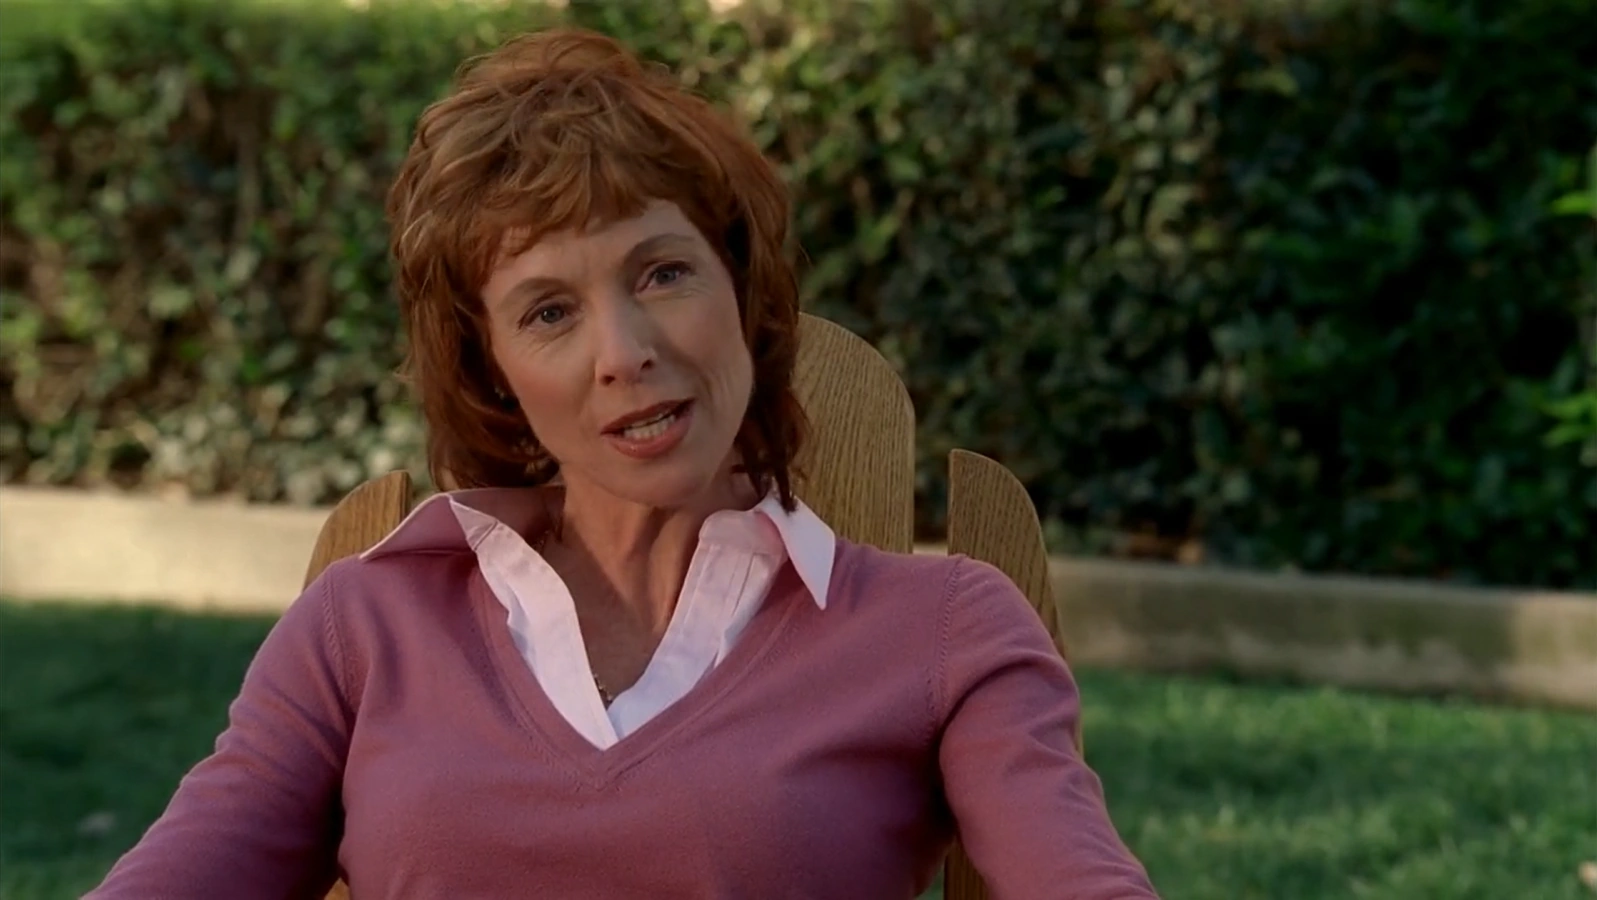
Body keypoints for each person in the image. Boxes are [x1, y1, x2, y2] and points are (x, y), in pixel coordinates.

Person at [87, 27, 1160, 900]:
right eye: (548, 311)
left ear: (741, 290)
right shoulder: (366, 628)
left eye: (661, 273)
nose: (624, 352)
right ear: (494, 368)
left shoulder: (942, 632)